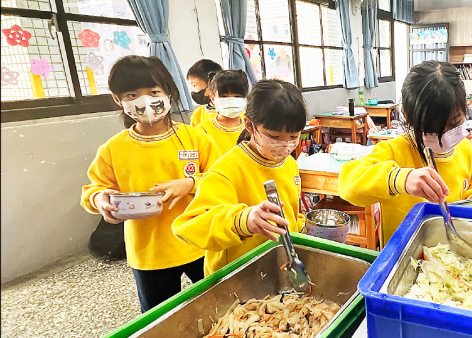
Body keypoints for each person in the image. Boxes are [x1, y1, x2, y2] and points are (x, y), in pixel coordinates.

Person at [80, 55, 221, 312]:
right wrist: (101, 200)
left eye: (154, 91)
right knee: (159, 319)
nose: (145, 101)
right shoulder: (114, 148)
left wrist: (190, 183)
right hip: (149, 253)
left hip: (200, 243)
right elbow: (93, 189)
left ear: (168, 92)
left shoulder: (194, 137)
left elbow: (221, 179)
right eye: (132, 95)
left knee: (220, 307)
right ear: (117, 99)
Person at [339, 60, 472, 247]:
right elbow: (347, 183)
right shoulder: (395, 150)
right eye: (433, 130)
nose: (445, 136)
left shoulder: (465, 148)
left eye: (455, 122)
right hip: (402, 255)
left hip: (451, 254)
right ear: (408, 116)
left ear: (465, 107)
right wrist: (400, 179)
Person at [173, 79, 306, 276]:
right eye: (274, 137)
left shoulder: (290, 164)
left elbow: (293, 214)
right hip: (237, 274)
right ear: (249, 125)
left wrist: (304, 229)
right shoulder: (226, 170)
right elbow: (189, 225)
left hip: (279, 267)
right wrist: (243, 220)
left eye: (293, 137)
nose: (284, 146)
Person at [196, 69, 249, 155]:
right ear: (213, 98)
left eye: (237, 96)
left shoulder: (251, 128)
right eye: (224, 97)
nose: (231, 101)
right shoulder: (203, 131)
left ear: (246, 98)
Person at [186, 59, 223, 126]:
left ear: (211, 83)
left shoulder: (232, 111)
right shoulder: (198, 114)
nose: (193, 91)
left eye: (194, 85)